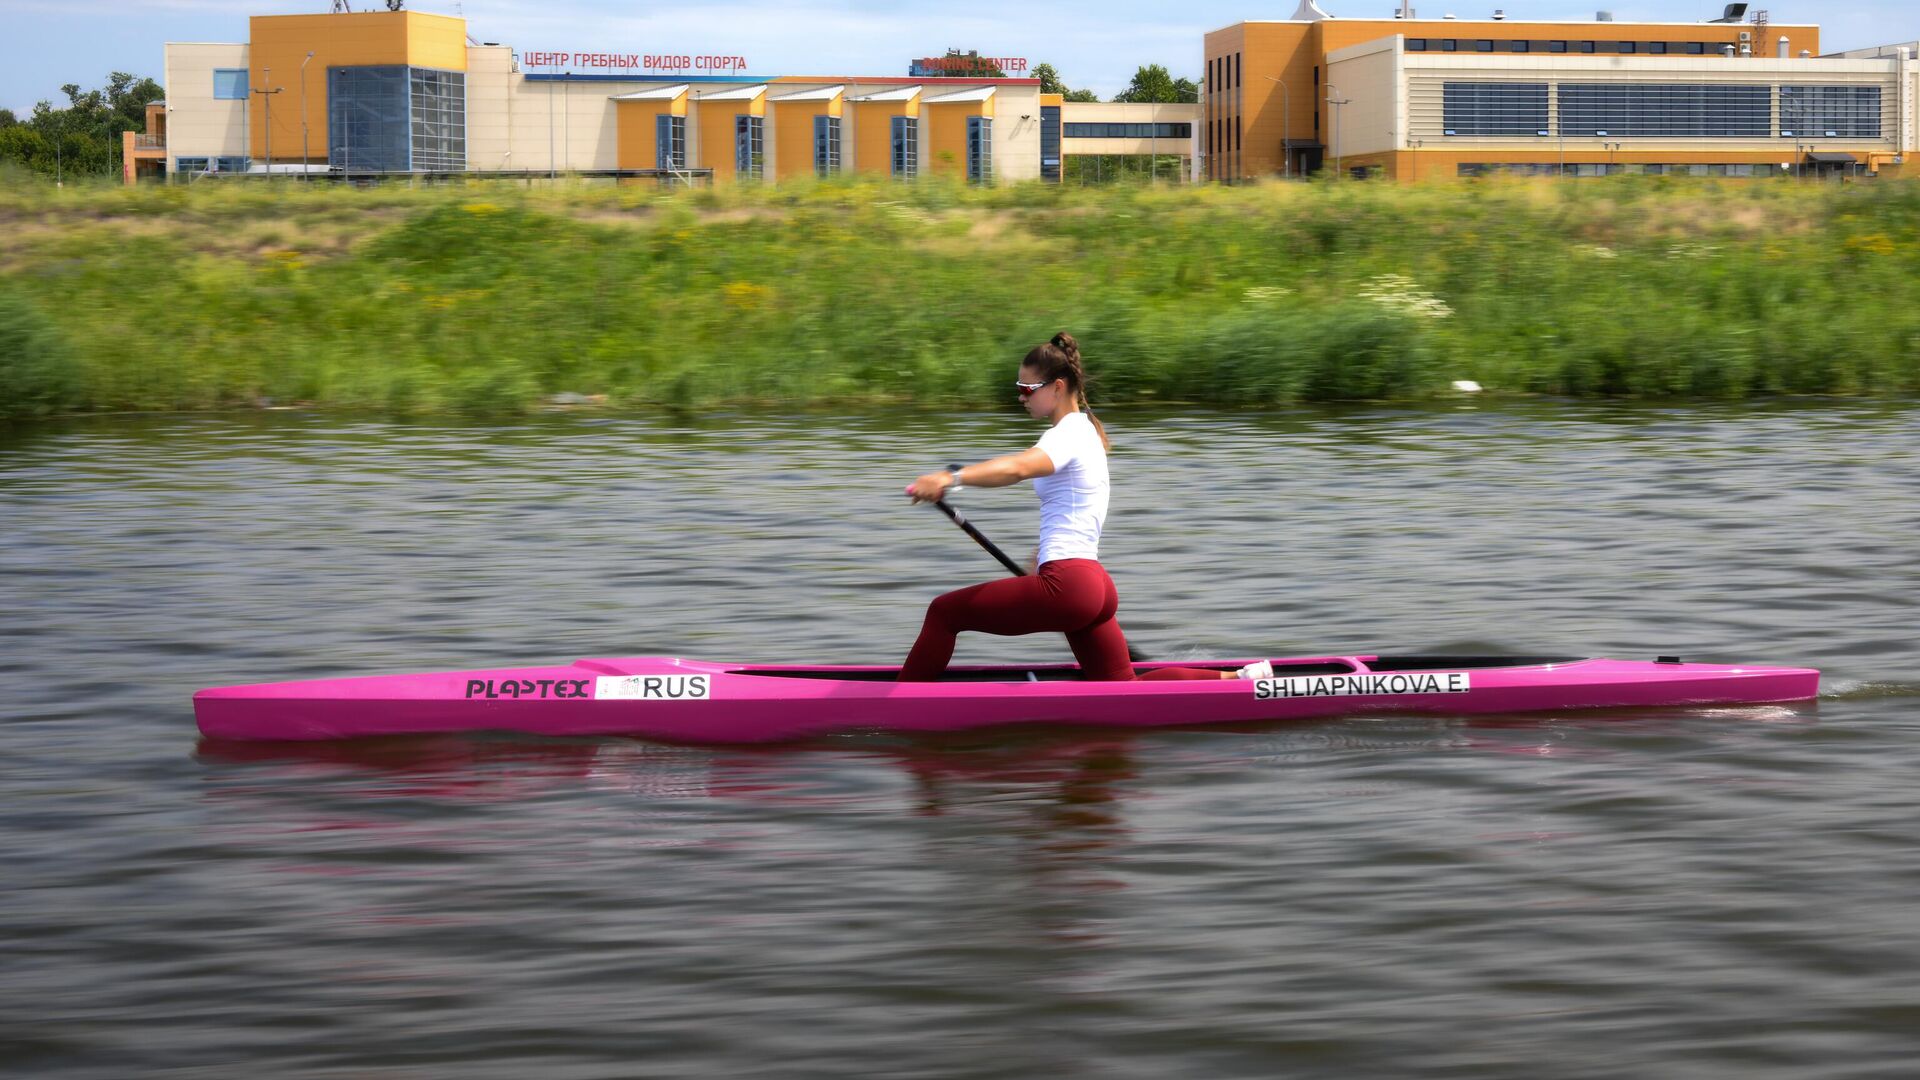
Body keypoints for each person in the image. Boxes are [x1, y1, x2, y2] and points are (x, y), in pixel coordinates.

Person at [898, 333, 1273, 684]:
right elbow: (1074, 509)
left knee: (944, 613)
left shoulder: (1068, 434)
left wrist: (951, 477)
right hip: (1092, 585)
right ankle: (1240, 681)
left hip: (1069, 586)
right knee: (1123, 688)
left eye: (1027, 389)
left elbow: (1017, 468)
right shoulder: (1088, 432)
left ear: (1057, 387)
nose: (1021, 398)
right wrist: (1039, 558)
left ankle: (899, 704)